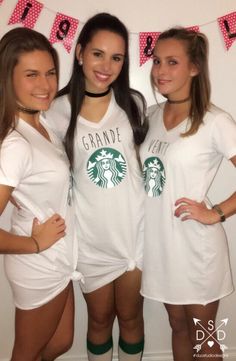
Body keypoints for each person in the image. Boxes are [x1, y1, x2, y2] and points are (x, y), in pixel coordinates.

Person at [45, 12, 148, 361]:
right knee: (100, 319)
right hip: (90, 239)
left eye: (116, 57)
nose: (107, 65)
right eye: (98, 53)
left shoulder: (133, 104)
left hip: (134, 234)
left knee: (132, 317)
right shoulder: (58, 110)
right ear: (79, 53)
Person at [140, 27, 236, 360]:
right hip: (161, 246)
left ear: (194, 67)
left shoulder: (214, 121)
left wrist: (217, 211)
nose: (160, 71)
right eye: (156, 61)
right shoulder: (149, 117)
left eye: (171, 62)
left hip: (196, 249)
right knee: (177, 326)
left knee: (204, 335)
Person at [0, 27, 80, 361]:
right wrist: (34, 244)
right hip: (38, 264)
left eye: (50, 73)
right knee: (27, 354)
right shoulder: (16, 144)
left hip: (59, 259)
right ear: (8, 78)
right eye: (32, 75)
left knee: (60, 343)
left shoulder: (40, 124)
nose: (46, 85)